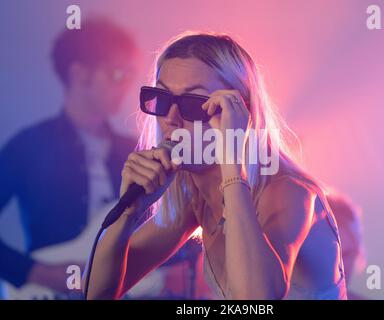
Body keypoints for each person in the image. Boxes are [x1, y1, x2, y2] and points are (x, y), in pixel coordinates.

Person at [86, 31, 347, 300]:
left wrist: (231, 163)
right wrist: (128, 213)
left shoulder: (289, 192)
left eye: (193, 104)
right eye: (162, 100)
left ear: (240, 114)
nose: (171, 119)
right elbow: (96, 294)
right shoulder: (195, 198)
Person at [0, 18, 138, 297]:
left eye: (129, 75)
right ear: (80, 75)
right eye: (116, 74)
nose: (125, 85)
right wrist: (36, 272)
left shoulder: (136, 150)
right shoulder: (28, 146)